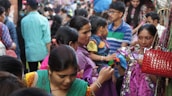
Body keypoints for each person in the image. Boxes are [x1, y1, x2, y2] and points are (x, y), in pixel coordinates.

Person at [25, 45, 114, 96]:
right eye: (62, 76)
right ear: (49, 70)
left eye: (73, 75)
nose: (68, 81)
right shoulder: (32, 80)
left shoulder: (82, 89)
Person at [69, 16, 117, 96]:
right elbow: (82, 90)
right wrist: (101, 79)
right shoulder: (78, 55)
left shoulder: (84, 48)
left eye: (90, 31)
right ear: (74, 33)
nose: (89, 35)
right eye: (85, 33)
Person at [120, 24, 157, 96]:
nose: (143, 42)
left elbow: (157, 81)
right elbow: (124, 74)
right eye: (140, 38)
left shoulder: (157, 56)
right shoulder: (131, 54)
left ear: (154, 38)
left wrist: (145, 65)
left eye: (148, 38)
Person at [21, 0, 51, 72]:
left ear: (28, 7)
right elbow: (47, 39)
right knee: (45, 71)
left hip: (30, 51)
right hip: (43, 50)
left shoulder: (24, 21)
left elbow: (24, 35)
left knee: (32, 72)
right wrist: (49, 52)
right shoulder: (43, 19)